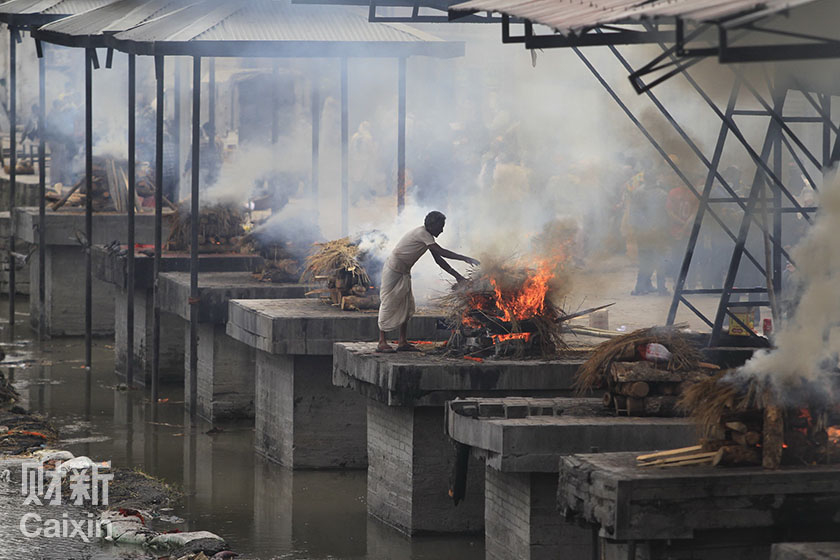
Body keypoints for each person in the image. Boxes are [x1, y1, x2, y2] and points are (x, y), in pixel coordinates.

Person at [377, 211, 479, 352]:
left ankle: (402, 341)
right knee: (388, 303)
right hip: (393, 270)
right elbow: (442, 252)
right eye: (441, 226)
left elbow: (439, 260)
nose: (442, 230)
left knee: (406, 305)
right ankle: (381, 342)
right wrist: (465, 258)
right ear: (432, 225)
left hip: (404, 271)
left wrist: (458, 277)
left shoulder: (428, 237)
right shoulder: (422, 233)